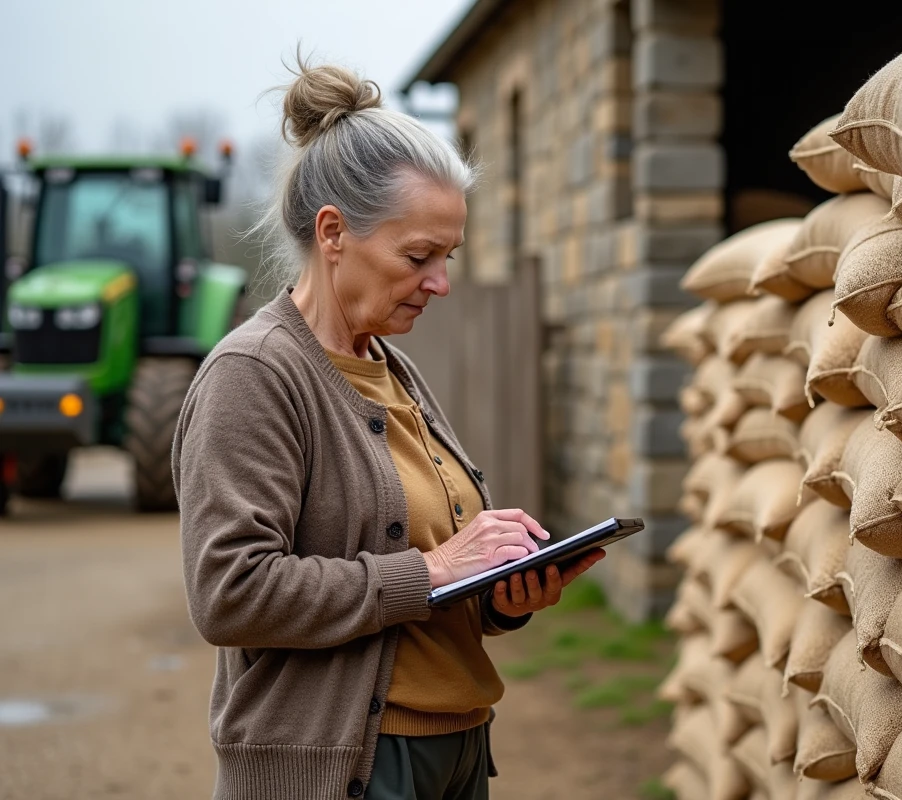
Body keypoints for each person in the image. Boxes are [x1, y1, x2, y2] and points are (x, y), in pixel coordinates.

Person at [171, 56, 605, 800]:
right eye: (419, 256)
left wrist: (498, 594)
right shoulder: (254, 374)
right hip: (345, 768)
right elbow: (230, 591)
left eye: (448, 256)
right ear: (333, 233)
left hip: (457, 751)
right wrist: (433, 571)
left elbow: (430, 572)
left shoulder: (391, 367)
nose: (441, 282)